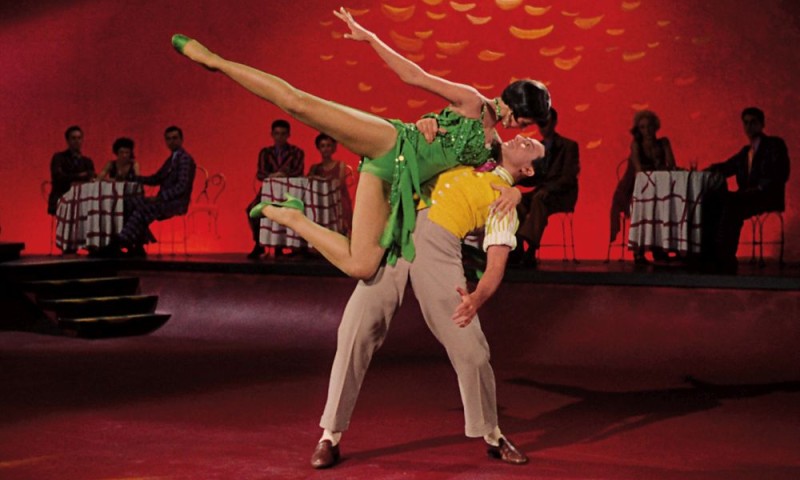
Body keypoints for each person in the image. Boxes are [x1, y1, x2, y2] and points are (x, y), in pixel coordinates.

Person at [172, 6, 550, 279]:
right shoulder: (472, 101)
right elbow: (413, 76)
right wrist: (371, 39)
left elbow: (502, 180)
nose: (521, 127)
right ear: (516, 104)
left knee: (361, 266)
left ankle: (290, 214)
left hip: (392, 182)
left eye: (527, 126)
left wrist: (518, 196)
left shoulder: (493, 148)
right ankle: (215, 60)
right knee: (297, 103)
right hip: (390, 143)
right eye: (525, 119)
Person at [310, 130, 546, 469]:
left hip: (440, 254)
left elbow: (496, 265)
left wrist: (477, 297)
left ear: (529, 171)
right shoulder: (473, 151)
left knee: (473, 351)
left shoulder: (505, 204)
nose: (521, 138)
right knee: (353, 333)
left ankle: (493, 435)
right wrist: (428, 124)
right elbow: (463, 115)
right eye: (523, 135)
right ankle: (329, 436)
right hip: (396, 240)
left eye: (529, 146)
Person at [705, 107, 790, 272]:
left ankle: (725, 257)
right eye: (746, 123)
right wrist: (707, 170)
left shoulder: (774, 145)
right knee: (713, 199)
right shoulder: (745, 152)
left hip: (767, 196)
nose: (749, 127)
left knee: (731, 203)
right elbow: (727, 166)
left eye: (753, 122)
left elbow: (781, 172)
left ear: (762, 124)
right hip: (745, 197)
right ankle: (711, 254)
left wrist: (759, 188)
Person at [99, 126, 196, 257]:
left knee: (142, 209)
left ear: (181, 139)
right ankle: (137, 245)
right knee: (128, 203)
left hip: (176, 203)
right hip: (164, 200)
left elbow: (181, 187)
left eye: (175, 138)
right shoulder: (172, 158)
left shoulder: (184, 159)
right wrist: (134, 178)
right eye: (168, 139)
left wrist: (160, 198)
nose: (171, 142)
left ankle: (120, 242)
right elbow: (157, 178)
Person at [513, 108, 580, 266]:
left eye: (545, 122)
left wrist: (549, 189)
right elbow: (534, 177)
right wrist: (515, 178)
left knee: (539, 200)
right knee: (517, 202)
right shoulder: (538, 148)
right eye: (540, 123)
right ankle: (518, 247)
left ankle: (531, 249)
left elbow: (568, 177)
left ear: (554, 122)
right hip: (542, 193)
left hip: (562, 194)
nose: (542, 127)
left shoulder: (569, 146)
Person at [609, 110, 676, 264]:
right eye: (643, 127)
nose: (647, 131)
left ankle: (661, 248)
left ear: (656, 127)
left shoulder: (663, 142)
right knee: (643, 206)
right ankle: (639, 251)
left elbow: (672, 166)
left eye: (649, 126)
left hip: (659, 187)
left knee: (668, 203)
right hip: (633, 188)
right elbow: (639, 172)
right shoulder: (636, 145)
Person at [246, 119, 306, 259]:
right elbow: (260, 173)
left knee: (291, 212)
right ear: (272, 134)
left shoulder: (297, 152)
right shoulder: (265, 153)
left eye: (283, 134)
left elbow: (299, 171)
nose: (280, 137)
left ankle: (284, 246)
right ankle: (259, 244)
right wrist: (272, 175)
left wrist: (283, 175)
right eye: (277, 134)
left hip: (289, 194)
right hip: (268, 193)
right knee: (252, 210)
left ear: (288, 135)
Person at [307, 133, 353, 236]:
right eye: (322, 146)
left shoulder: (340, 165)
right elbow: (307, 184)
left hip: (339, 202)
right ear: (318, 148)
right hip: (322, 204)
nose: (326, 149)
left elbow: (339, 184)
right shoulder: (314, 168)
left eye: (328, 145)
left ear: (333, 148)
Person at [48, 125, 95, 216]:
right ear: (68, 140)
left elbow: (91, 179)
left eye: (79, 138)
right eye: (73, 138)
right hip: (63, 200)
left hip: (82, 203)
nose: (77, 141)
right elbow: (58, 177)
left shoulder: (87, 161)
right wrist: (79, 176)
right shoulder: (59, 157)